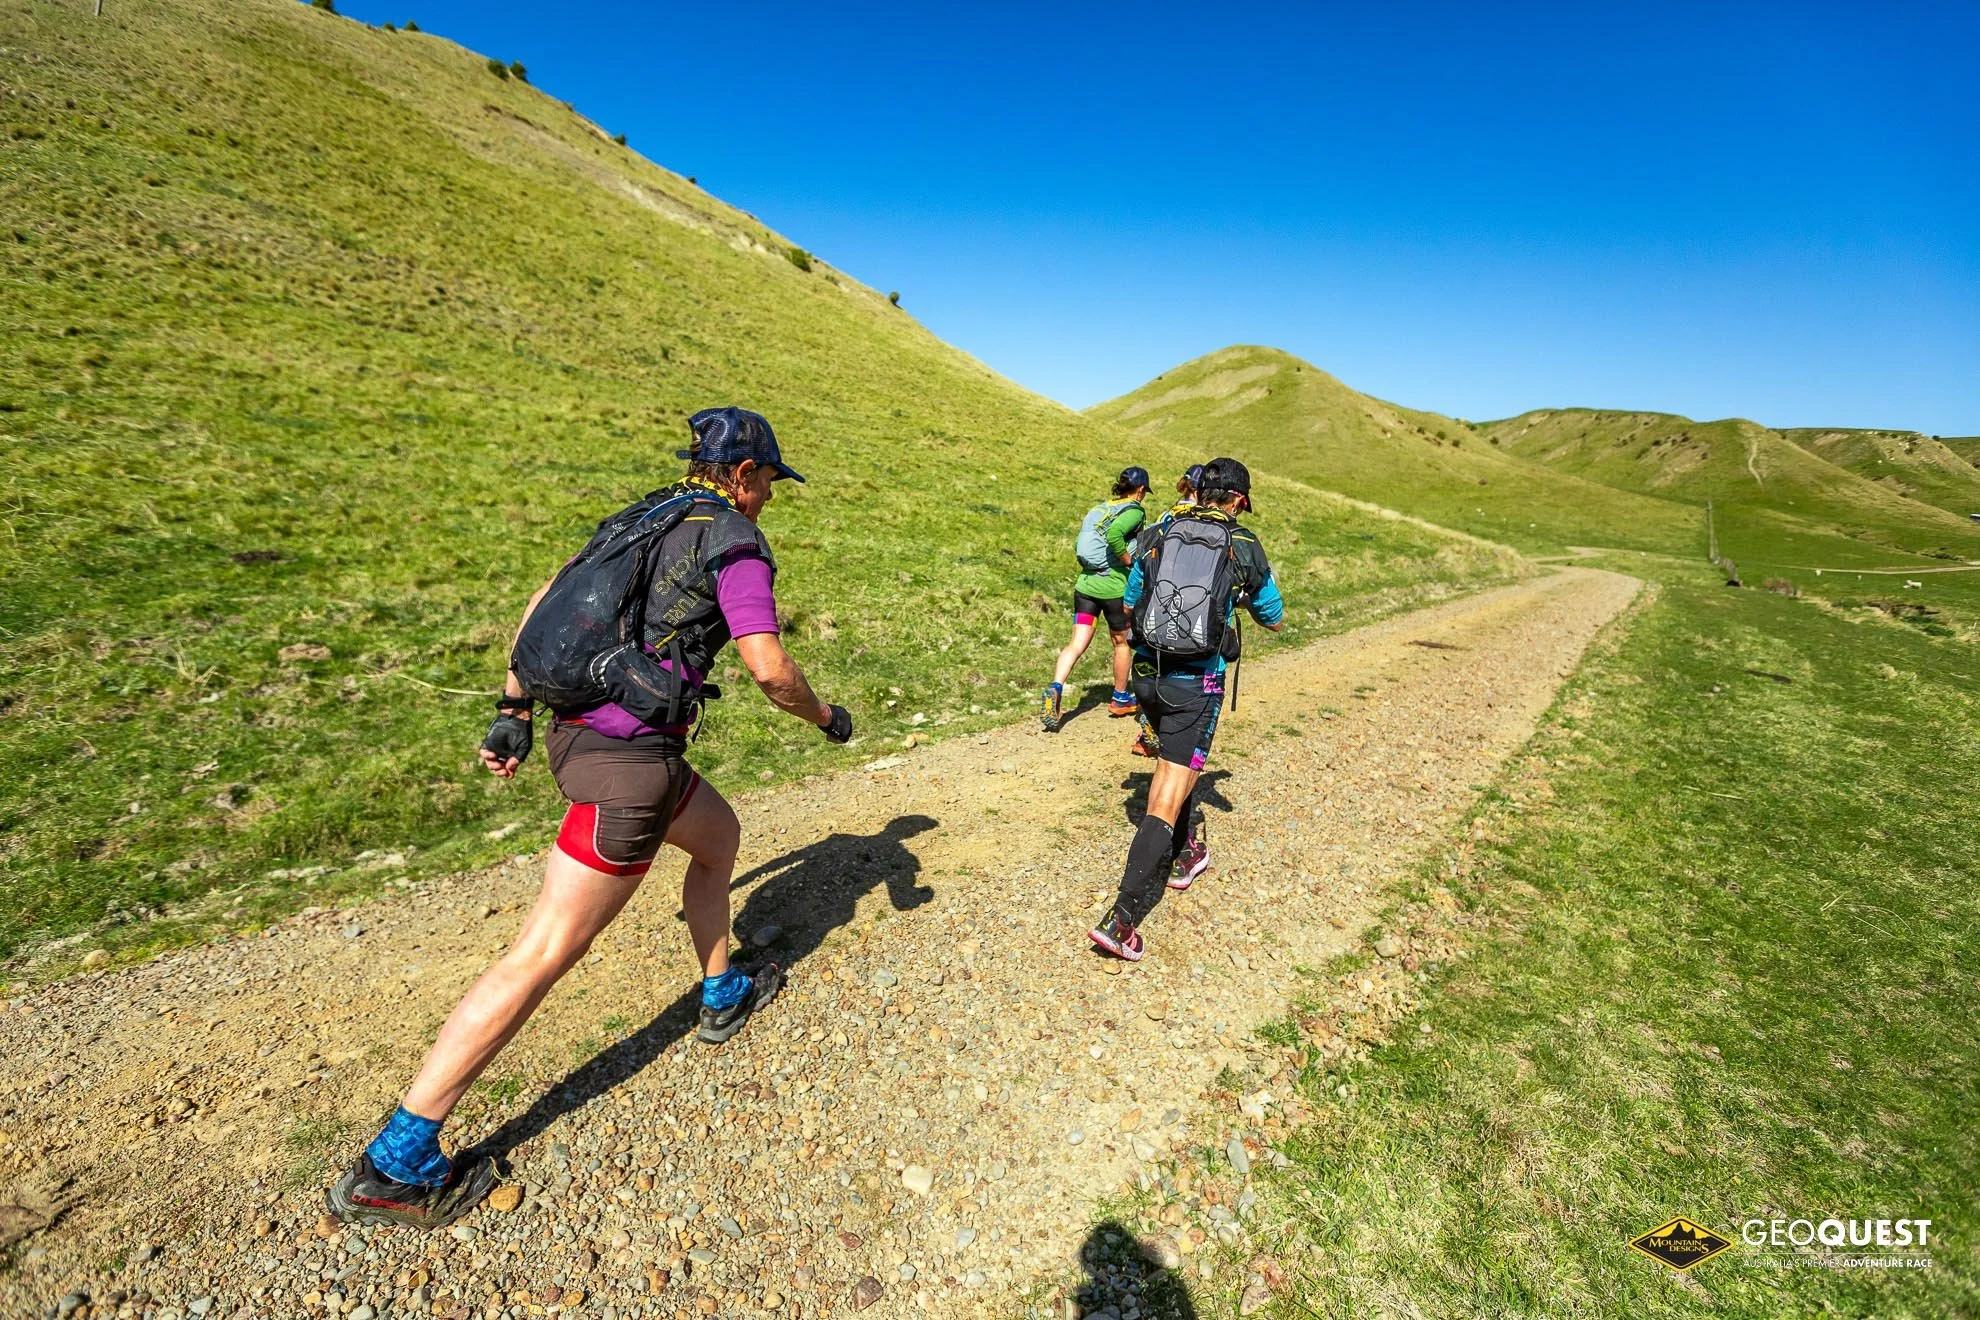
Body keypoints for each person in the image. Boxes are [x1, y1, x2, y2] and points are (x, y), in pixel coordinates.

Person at [327, 407, 853, 1229]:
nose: (769, 499)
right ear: (745, 475)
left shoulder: (643, 515)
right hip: (628, 773)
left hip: (584, 740)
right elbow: (769, 667)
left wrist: (513, 709)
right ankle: (396, 1163)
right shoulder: (736, 543)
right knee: (540, 952)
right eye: (769, 483)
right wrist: (826, 719)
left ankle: (721, 990)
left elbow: (546, 600)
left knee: (720, 839)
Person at [1089, 457, 1283, 961]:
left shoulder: (1159, 529)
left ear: (1199, 492)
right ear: (1239, 500)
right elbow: (1275, 618)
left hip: (1147, 679)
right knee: (1166, 793)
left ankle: (1187, 852)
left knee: (1176, 768)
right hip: (1196, 684)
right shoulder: (1243, 546)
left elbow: (1131, 601)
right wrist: (1232, 598)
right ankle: (1121, 919)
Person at [1041, 467, 1151, 732]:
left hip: (1086, 587)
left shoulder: (1100, 508)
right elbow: (1114, 537)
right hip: (1114, 589)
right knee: (1121, 643)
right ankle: (1121, 698)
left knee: (1077, 643)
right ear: (1140, 490)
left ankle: (1055, 686)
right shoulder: (1134, 510)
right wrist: (1128, 561)